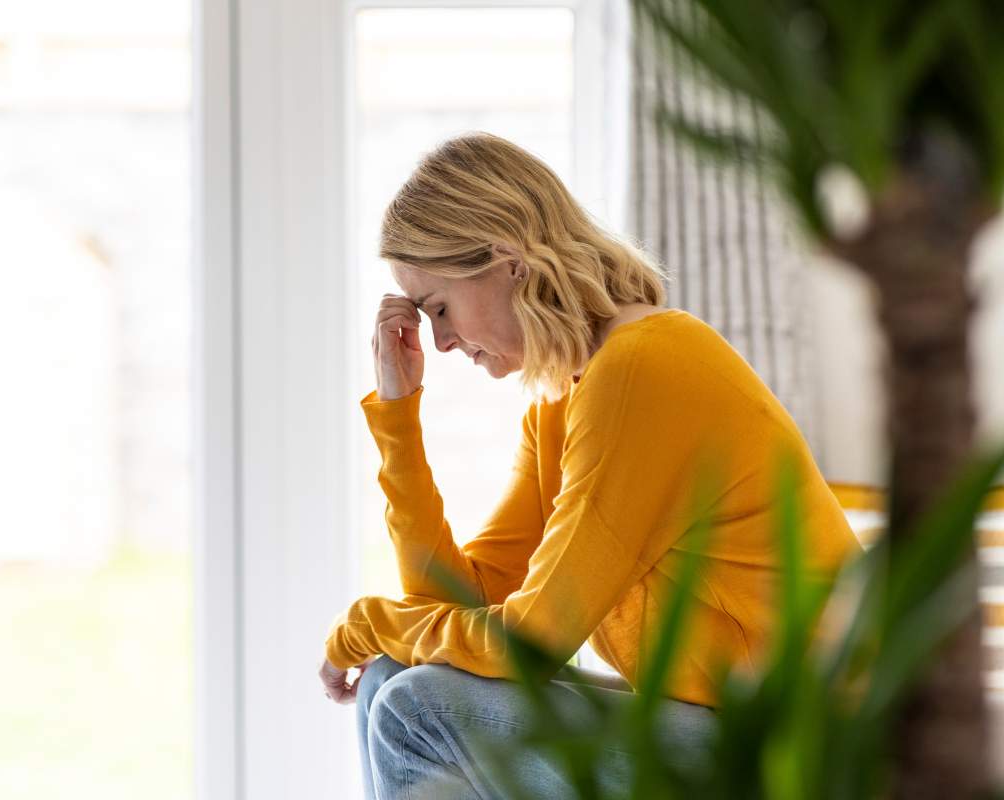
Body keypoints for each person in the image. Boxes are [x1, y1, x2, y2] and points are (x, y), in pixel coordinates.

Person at [317, 131, 864, 799]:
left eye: (439, 307)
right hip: (718, 727)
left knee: (415, 705)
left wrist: (366, 625)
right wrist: (400, 418)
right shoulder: (562, 400)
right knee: (388, 680)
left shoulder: (643, 370)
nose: (442, 340)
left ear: (507, 261)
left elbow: (535, 641)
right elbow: (455, 604)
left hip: (804, 755)